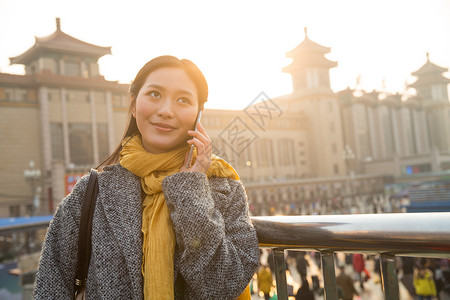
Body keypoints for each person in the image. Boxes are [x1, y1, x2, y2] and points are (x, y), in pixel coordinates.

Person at [33, 55, 260, 299]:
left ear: (198, 115)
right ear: (133, 103)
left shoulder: (225, 189)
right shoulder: (91, 192)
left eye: (183, 100)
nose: (165, 111)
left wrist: (191, 191)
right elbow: (51, 285)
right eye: (154, 94)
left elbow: (223, 285)